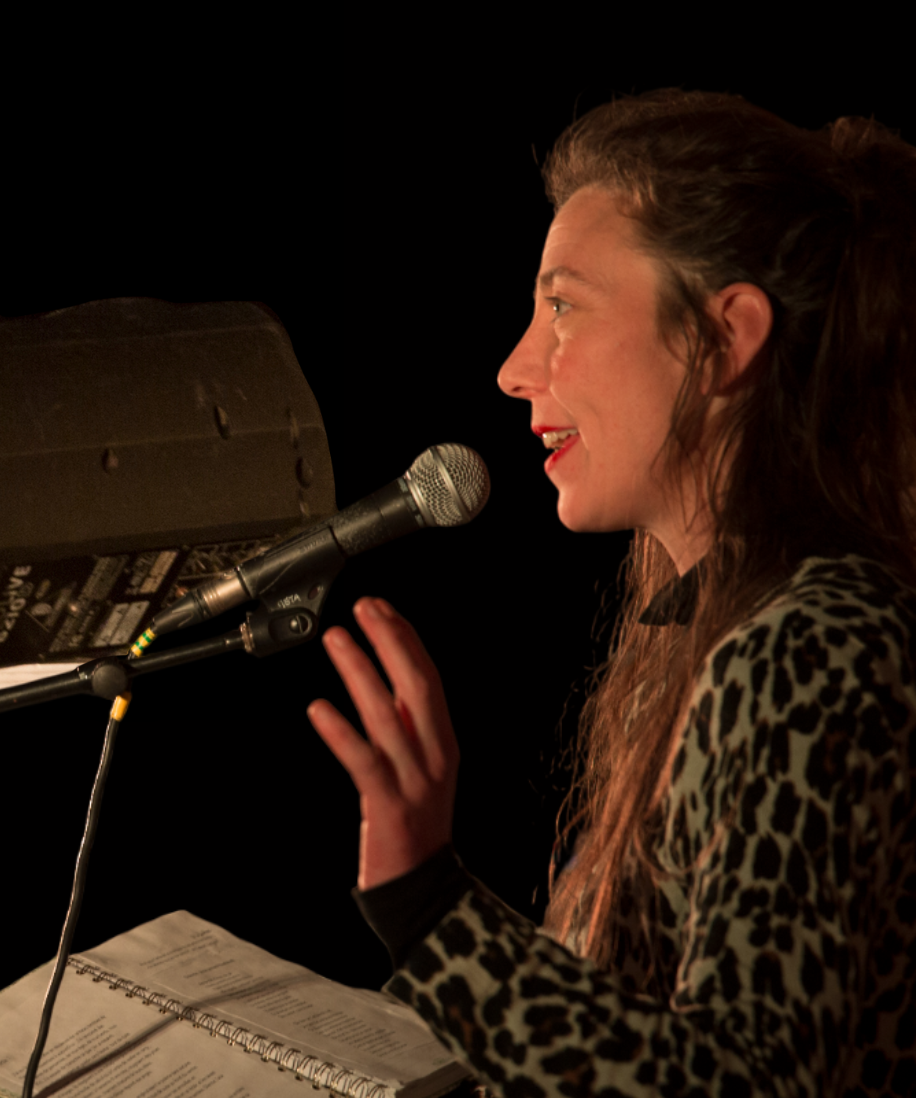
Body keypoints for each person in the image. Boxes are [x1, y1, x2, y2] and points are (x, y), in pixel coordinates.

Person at [308, 89, 916, 1094]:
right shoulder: (706, 623)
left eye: (562, 307)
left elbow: (741, 1082)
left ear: (724, 339)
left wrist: (428, 908)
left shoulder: (814, 644)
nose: (512, 369)